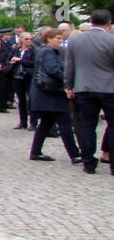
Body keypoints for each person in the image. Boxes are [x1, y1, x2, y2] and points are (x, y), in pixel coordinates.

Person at [64, 8, 114, 175]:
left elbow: (70, 65)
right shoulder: (111, 39)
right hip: (109, 88)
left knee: (87, 126)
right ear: (109, 22)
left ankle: (88, 162)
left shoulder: (76, 40)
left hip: (84, 87)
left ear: (91, 21)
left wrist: (68, 85)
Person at [29, 28, 80, 163]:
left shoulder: (43, 50)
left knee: (46, 123)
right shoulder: (48, 51)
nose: (60, 40)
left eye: (61, 38)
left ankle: (35, 152)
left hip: (44, 93)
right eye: (57, 38)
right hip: (50, 93)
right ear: (49, 39)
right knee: (64, 123)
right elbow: (53, 70)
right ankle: (74, 154)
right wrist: (67, 81)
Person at [11, 32, 35, 129]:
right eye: (26, 39)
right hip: (17, 77)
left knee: (31, 99)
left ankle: (33, 122)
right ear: (21, 40)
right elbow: (9, 59)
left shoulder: (33, 50)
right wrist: (12, 61)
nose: (29, 41)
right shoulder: (16, 50)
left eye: (30, 39)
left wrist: (20, 60)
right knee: (21, 100)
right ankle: (23, 122)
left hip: (29, 76)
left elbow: (34, 63)